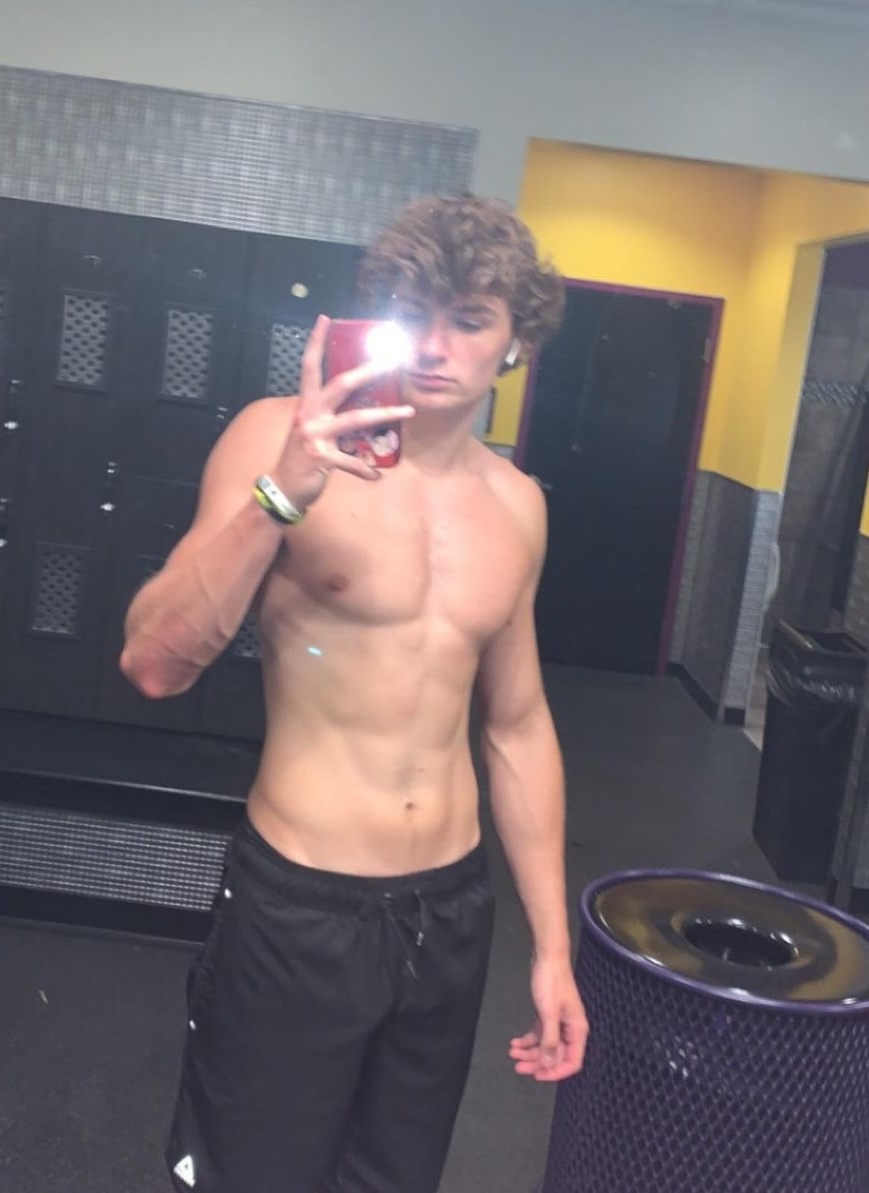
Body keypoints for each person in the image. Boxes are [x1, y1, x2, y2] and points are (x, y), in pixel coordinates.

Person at [120, 194, 589, 1193]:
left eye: (471, 319)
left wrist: (553, 948)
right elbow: (155, 663)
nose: (436, 345)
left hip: (450, 912)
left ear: (516, 342)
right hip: (302, 901)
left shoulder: (517, 505)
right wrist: (279, 496)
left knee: (394, 1177)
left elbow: (517, 724)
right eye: (416, 313)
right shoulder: (279, 440)